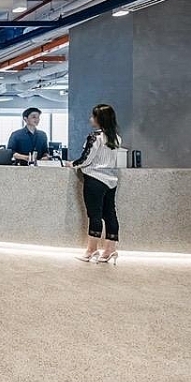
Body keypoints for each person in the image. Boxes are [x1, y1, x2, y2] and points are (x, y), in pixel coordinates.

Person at [72, 104, 122, 264]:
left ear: (100, 119)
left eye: (93, 116)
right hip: (111, 181)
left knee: (94, 215)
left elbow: (86, 158)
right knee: (110, 214)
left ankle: (91, 250)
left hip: (95, 179)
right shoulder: (116, 138)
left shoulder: (95, 137)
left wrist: (72, 164)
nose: (90, 119)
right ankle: (109, 250)